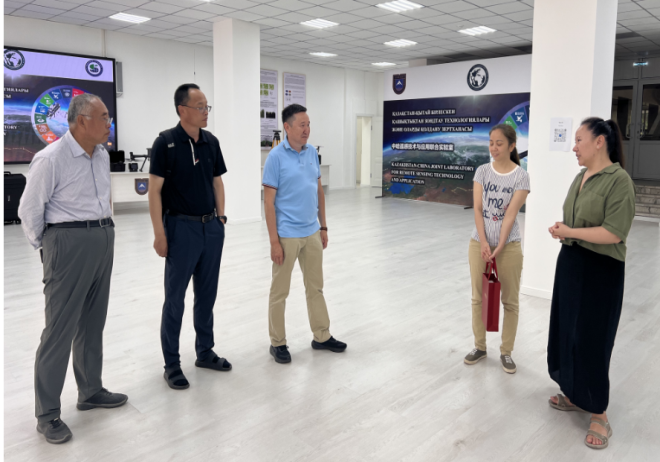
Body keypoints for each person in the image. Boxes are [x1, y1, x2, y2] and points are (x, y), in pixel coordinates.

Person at [18, 93, 127, 444]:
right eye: (104, 116)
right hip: (68, 242)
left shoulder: (101, 154)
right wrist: (50, 247)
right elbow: (29, 211)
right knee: (59, 329)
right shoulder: (51, 158)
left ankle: (90, 390)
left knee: (93, 322)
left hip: (102, 237)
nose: (109, 122)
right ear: (82, 121)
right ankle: (48, 413)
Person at [547, 117, 635, 450]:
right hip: (571, 262)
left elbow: (614, 233)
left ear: (600, 142)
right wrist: (564, 229)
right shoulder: (580, 177)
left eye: (579, 140)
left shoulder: (619, 181)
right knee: (567, 331)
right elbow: (578, 222)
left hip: (602, 270)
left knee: (593, 339)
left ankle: (599, 412)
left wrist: (570, 231)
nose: (574, 147)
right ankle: (574, 393)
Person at [148, 83, 230, 390]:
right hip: (180, 229)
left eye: (207, 106)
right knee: (175, 299)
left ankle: (205, 351)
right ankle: (171, 363)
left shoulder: (211, 142)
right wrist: (159, 234)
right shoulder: (166, 143)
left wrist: (221, 218)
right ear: (183, 110)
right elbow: (154, 191)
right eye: (200, 107)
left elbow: (217, 182)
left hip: (211, 228)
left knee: (207, 295)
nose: (206, 112)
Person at [262, 104, 347, 364]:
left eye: (308, 124)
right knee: (280, 291)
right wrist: (274, 242)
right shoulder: (275, 157)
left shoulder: (311, 153)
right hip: (287, 234)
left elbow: (318, 191)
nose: (307, 129)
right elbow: (268, 202)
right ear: (287, 127)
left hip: (311, 232)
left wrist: (323, 226)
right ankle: (278, 342)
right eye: (302, 125)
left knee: (315, 287)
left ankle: (321, 335)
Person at [464, 124, 530, 374]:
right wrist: (483, 241)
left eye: (499, 143)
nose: (493, 148)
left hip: (509, 246)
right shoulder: (482, 171)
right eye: (491, 143)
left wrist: (499, 245)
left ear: (512, 146)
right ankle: (479, 347)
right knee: (478, 298)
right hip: (478, 244)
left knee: (509, 301)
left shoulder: (521, 177)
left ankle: (506, 351)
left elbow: (511, 215)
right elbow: (478, 209)